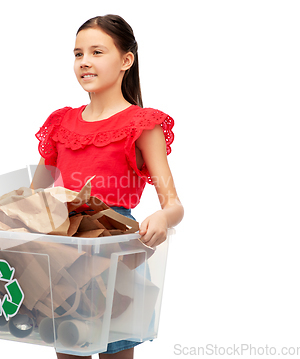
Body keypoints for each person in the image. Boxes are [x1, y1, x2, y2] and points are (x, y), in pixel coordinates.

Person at [31, 14, 184, 359]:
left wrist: (161, 218)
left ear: (126, 60)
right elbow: (32, 198)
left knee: (115, 349)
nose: (84, 61)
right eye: (78, 54)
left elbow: (174, 204)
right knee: (69, 346)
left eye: (97, 52)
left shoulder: (142, 124)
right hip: (62, 252)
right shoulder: (61, 123)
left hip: (115, 252)